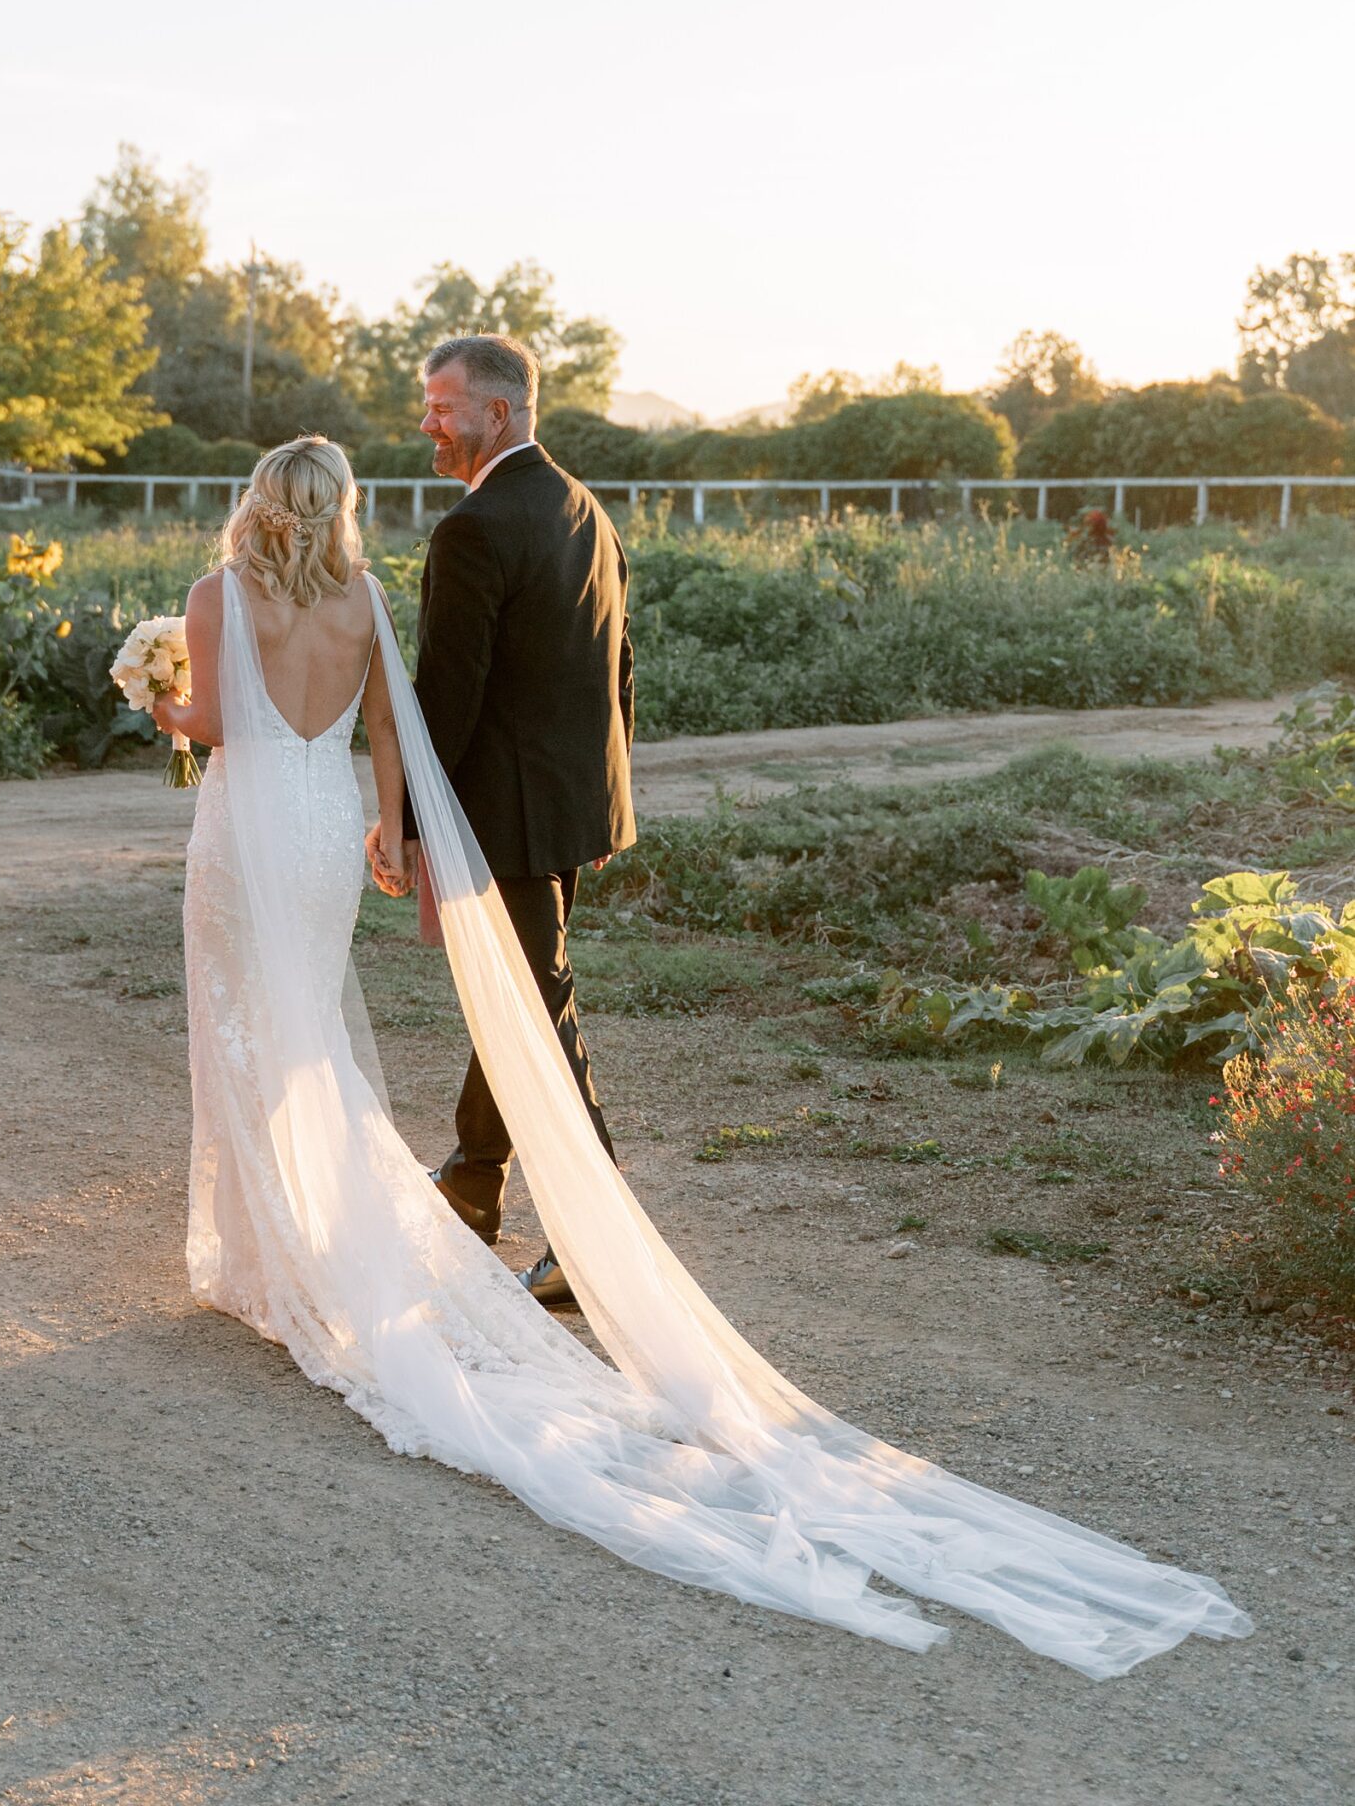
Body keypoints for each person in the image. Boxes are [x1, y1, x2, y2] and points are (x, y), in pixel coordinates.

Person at [152, 430, 1250, 1677]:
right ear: (340, 510)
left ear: (257, 504)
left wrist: (150, 695)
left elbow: (210, 718)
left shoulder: (210, 596)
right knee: (307, 1043)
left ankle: (265, 1252)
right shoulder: (361, 601)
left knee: (246, 1032)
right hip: (316, 825)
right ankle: (312, 1236)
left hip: (245, 830)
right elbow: (395, 734)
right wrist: (392, 834)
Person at [374, 332, 633, 1308]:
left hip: (505, 815)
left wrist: (402, 816)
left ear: (500, 411)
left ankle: (593, 1240)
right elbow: (617, 663)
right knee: (519, 996)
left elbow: (446, 692)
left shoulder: (473, 527)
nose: (429, 423)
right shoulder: (583, 505)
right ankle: (474, 1184)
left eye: (442, 405)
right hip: (564, 806)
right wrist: (601, 803)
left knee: (535, 1005)